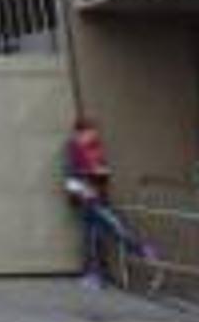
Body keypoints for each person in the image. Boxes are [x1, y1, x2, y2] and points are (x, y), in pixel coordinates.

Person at [63, 115, 157, 287]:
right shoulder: (73, 149)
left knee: (93, 235)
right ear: (81, 133)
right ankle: (139, 248)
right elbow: (71, 176)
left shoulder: (94, 149)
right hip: (88, 197)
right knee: (111, 225)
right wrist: (83, 186)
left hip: (97, 195)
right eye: (91, 133)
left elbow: (102, 170)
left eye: (94, 133)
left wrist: (102, 172)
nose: (94, 136)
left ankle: (94, 274)